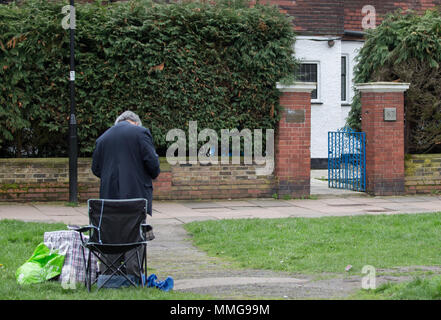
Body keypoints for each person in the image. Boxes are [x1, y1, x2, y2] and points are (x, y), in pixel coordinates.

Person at [91, 110, 160, 285]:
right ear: (136, 122)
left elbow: (96, 169)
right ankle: (133, 276)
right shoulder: (141, 133)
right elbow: (153, 166)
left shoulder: (103, 138)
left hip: (108, 199)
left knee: (110, 233)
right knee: (133, 232)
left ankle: (108, 275)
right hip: (135, 198)